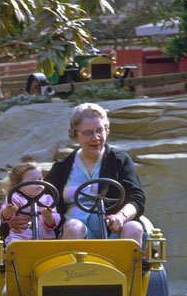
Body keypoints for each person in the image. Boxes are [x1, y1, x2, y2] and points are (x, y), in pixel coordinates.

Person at [43, 102, 145, 245]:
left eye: (100, 130)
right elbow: (43, 198)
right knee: (73, 227)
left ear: (106, 130)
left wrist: (121, 217)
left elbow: (137, 198)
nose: (95, 137)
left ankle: (128, 267)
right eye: (88, 132)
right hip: (76, 232)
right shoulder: (62, 166)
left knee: (134, 227)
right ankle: (72, 267)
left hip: (114, 232)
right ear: (75, 135)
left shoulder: (119, 160)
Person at [0, 162, 60, 246]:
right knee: (14, 246)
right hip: (20, 237)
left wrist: (48, 217)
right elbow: (4, 217)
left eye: (40, 179)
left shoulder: (48, 199)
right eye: (33, 180)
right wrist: (9, 211)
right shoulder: (15, 197)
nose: (38, 183)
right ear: (19, 185)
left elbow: (53, 224)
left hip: (45, 239)